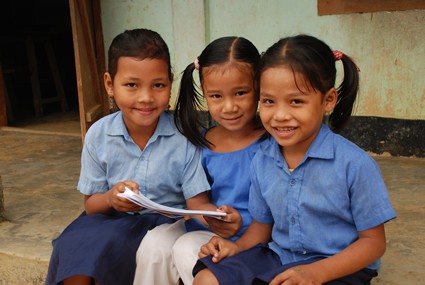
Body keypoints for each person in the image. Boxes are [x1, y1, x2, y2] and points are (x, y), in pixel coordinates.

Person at [192, 34, 397, 285]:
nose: (280, 115)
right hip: (280, 256)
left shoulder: (354, 165)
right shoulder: (263, 159)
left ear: (328, 100)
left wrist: (317, 272)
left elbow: (374, 244)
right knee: (206, 278)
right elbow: (261, 228)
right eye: (268, 101)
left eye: (296, 101)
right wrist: (235, 248)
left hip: (338, 266)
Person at [44, 28, 216, 285]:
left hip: (164, 224)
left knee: (118, 248)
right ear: (109, 85)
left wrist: (220, 219)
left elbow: (197, 204)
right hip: (109, 218)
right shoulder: (99, 135)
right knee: (72, 247)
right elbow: (91, 206)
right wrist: (112, 198)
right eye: (131, 85)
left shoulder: (185, 136)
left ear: (170, 83)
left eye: (158, 85)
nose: (145, 98)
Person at [133, 36, 265, 285]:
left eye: (240, 93)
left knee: (185, 248)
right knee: (155, 242)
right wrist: (213, 217)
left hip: (251, 240)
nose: (229, 106)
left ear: (258, 87)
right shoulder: (201, 142)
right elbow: (198, 202)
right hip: (206, 228)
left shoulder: (270, 144)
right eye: (216, 96)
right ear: (204, 93)